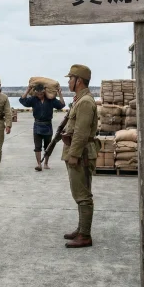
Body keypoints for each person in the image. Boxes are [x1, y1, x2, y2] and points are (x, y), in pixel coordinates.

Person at [61, 64, 98, 248]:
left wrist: (73, 155)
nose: (68, 81)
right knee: (80, 193)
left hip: (80, 153)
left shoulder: (84, 102)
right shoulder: (80, 100)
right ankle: (81, 228)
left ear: (79, 81)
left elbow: (81, 133)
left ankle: (85, 235)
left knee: (83, 195)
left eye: (70, 78)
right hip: (79, 152)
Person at [20, 83, 65, 171]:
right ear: (36, 93)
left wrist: (60, 93)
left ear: (44, 92)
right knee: (37, 146)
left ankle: (46, 163)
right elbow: (22, 101)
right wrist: (28, 90)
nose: (40, 96)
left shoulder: (50, 100)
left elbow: (61, 105)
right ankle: (39, 164)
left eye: (41, 94)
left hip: (47, 125)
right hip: (37, 124)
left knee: (48, 146)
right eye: (38, 94)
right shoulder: (33, 99)